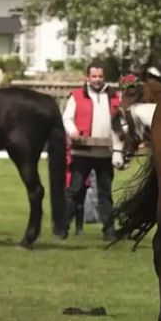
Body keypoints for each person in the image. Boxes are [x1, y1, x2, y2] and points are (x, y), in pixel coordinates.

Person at [62, 62, 120, 240]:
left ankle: (109, 230)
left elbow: (121, 122)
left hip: (105, 153)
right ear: (87, 78)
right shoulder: (77, 96)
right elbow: (67, 117)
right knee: (74, 191)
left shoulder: (113, 97)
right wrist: (72, 131)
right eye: (94, 76)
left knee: (105, 194)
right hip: (82, 152)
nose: (97, 80)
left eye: (100, 76)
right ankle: (62, 227)